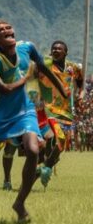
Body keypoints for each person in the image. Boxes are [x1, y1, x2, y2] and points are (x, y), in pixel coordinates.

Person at [0, 20, 66, 223]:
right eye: (0, 31)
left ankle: (19, 202)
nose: (7, 30)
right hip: (3, 113)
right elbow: (4, 89)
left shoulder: (27, 47)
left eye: (8, 27)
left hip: (27, 110)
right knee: (0, 147)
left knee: (34, 149)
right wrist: (26, 78)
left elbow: (44, 69)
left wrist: (61, 88)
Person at [35, 40, 83, 186]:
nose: (55, 50)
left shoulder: (73, 68)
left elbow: (80, 81)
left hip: (66, 111)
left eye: (59, 48)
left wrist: (80, 94)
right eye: (53, 48)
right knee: (59, 138)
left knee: (60, 144)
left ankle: (43, 166)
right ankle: (46, 167)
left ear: (65, 52)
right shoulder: (45, 66)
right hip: (48, 109)